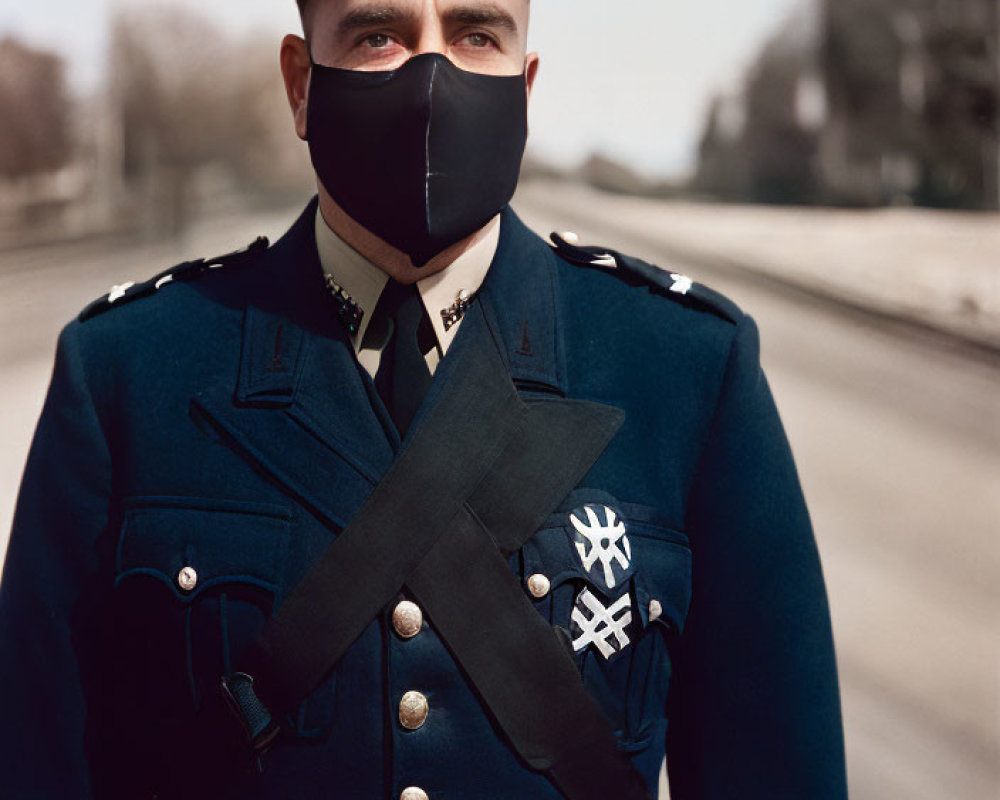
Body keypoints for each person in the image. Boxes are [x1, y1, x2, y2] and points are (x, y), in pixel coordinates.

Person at [0, 1, 848, 798]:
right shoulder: (127, 373)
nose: (432, 78)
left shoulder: (685, 369)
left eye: (478, 32)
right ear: (301, 84)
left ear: (525, 84)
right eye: (379, 35)